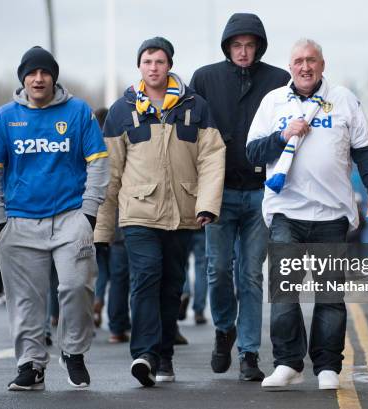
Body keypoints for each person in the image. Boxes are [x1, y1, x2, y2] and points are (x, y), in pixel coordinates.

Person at [246, 38, 368, 389]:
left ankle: (327, 366)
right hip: (285, 213)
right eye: (298, 61)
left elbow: (366, 153)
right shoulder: (273, 102)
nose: (305, 67)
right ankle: (288, 364)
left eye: (311, 60)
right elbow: (252, 152)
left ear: (322, 64)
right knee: (284, 293)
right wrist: (283, 135)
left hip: (331, 215)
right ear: (290, 66)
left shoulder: (344, 101)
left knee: (329, 295)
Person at [94, 37, 225, 387]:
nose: (153, 67)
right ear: (140, 66)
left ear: (170, 65)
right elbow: (111, 173)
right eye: (147, 61)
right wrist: (102, 230)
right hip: (137, 212)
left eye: (160, 61)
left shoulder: (195, 106)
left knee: (171, 286)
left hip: (183, 212)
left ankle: (164, 353)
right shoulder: (122, 111)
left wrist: (207, 204)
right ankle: (145, 354)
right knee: (146, 276)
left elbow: (212, 158)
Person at [0, 46, 109, 391]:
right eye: (32, 73)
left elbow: (98, 162)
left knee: (75, 286)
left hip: (70, 219)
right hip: (19, 222)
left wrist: (89, 214)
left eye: (45, 73)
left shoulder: (79, 112)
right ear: (23, 78)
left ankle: (74, 352)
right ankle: (31, 366)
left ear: (54, 77)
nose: (39, 79)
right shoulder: (5, 118)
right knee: (25, 300)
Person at [190, 12, 290, 382]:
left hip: (262, 194)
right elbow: (191, 136)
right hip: (218, 192)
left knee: (250, 274)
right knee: (217, 270)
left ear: (259, 47)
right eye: (237, 45)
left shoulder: (279, 79)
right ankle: (223, 331)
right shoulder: (204, 78)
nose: (243, 52)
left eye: (250, 45)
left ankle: (249, 352)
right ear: (227, 46)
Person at [91, 107, 131, 344]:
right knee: (133, 276)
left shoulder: (93, 147)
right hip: (125, 215)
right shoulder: (123, 141)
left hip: (100, 219)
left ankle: (115, 326)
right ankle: (126, 323)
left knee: (111, 274)